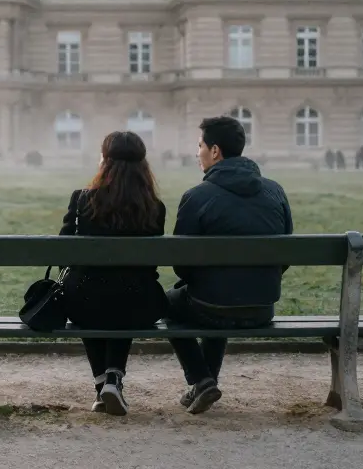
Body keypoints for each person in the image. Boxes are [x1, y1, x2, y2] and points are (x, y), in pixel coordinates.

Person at [166, 116, 294, 415]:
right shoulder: (274, 191)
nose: (196, 152)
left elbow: (181, 265)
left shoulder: (197, 197)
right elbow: (285, 253)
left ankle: (201, 379)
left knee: (170, 303)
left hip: (212, 306)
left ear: (214, 151)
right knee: (216, 296)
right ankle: (204, 383)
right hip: (263, 307)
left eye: (199, 146)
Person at [58, 131, 168, 417]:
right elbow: (149, 266)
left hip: (83, 301)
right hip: (138, 303)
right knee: (127, 293)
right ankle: (112, 379)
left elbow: (62, 251)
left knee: (88, 292)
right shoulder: (154, 208)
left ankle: (102, 387)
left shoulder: (82, 199)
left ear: (104, 161)